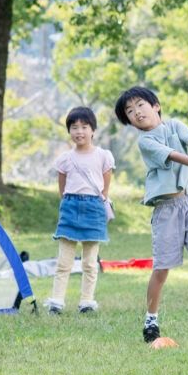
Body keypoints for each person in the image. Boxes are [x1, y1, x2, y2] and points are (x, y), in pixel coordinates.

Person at [114, 85, 188, 343]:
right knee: (162, 269)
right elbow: (177, 156)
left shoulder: (175, 125)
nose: (136, 113)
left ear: (155, 105)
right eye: (130, 112)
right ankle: (151, 320)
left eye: (140, 105)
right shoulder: (146, 141)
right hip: (166, 209)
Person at [44, 106, 114, 315]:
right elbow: (62, 188)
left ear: (93, 130)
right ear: (69, 131)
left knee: (90, 262)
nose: (79, 131)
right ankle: (56, 302)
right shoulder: (65, 158)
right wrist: (69, 203)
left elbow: (105, 187)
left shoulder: (103, 155)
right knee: (64, 261)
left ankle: (86, 302)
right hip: (70, 207)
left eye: (84, 126)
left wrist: (97, 201)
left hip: (94, 208)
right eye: (74, 127)